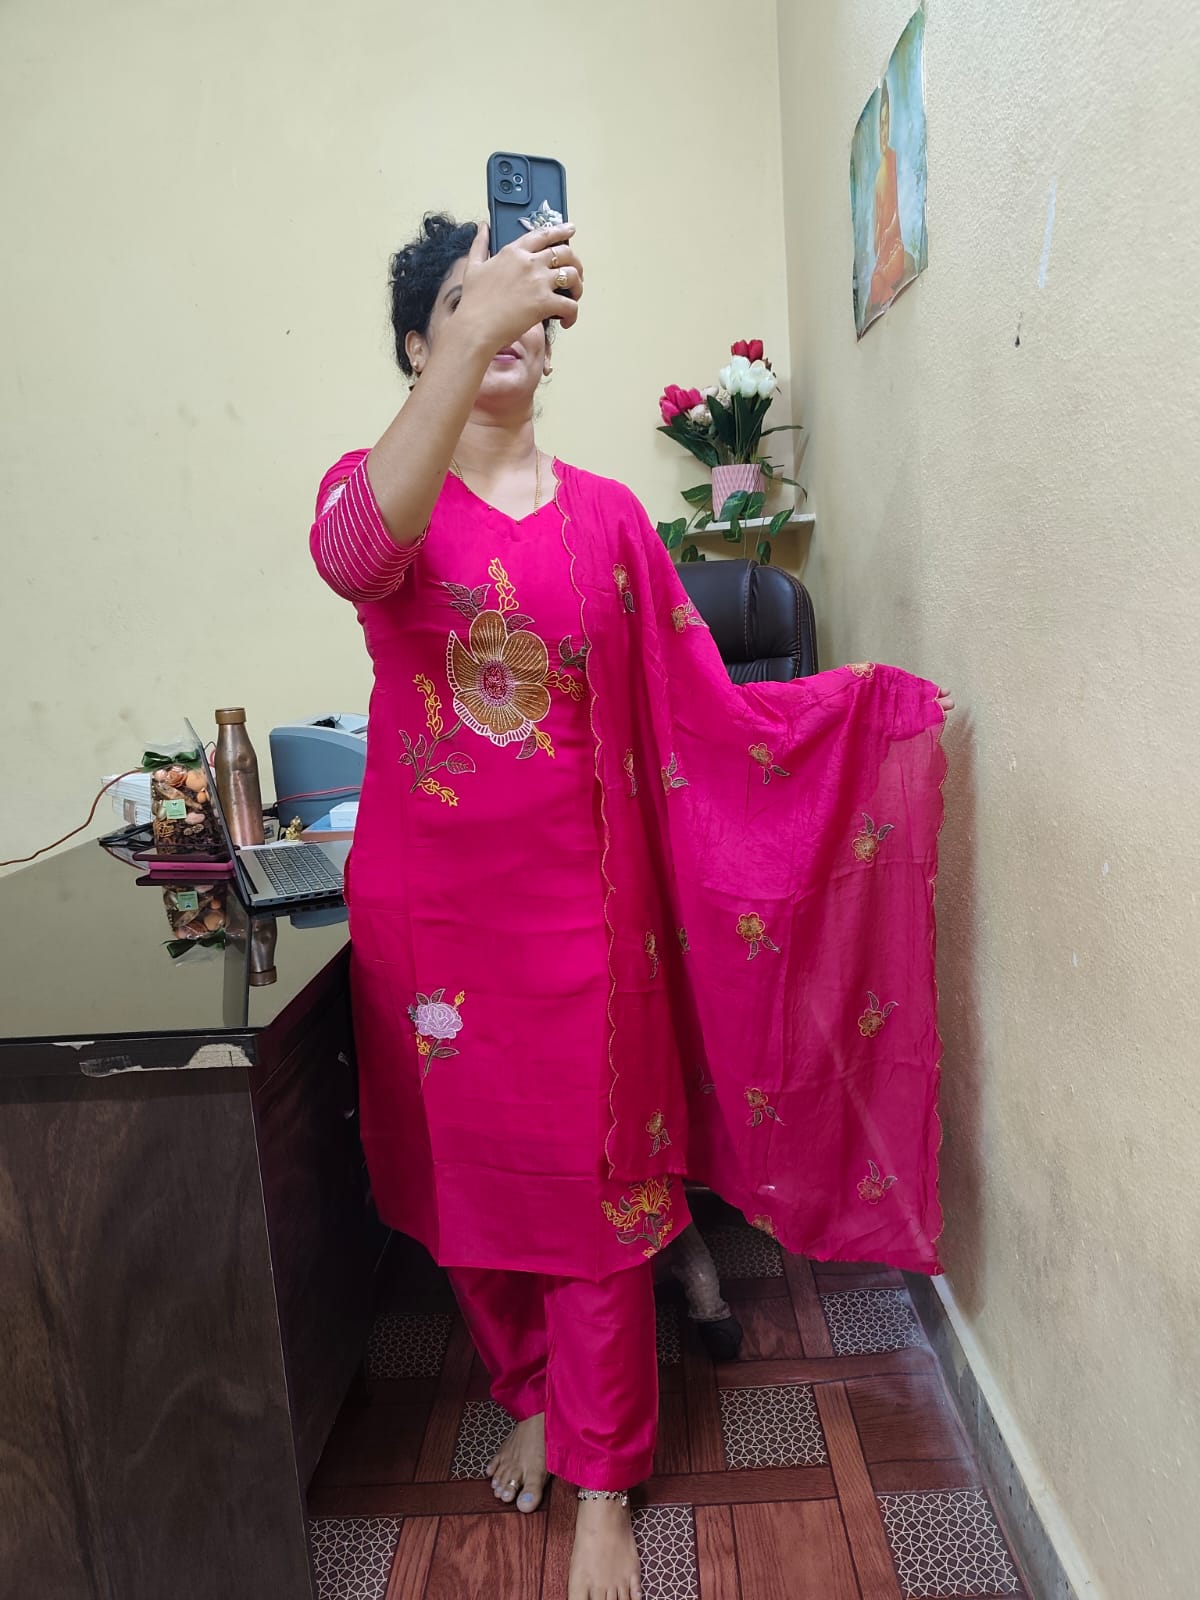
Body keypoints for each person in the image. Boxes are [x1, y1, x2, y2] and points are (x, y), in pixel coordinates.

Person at [310, 212, 951, 1600]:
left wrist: (849, 718)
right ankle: (532, 1390)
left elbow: (699, 708)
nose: (504, 322)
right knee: (465, 1183)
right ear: (420, 345)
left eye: (522, 305)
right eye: (465, 305)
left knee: (601, 1194)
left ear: (550, 342)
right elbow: (354, 560)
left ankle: (605, 1476)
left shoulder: (607, 519)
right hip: (429, 924)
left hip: (588, 926)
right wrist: (476, 325)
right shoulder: (376, 494)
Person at [869, 78, 907, 316]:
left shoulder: (894, 162)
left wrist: (889, 233)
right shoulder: (877, 179)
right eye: (880, 126)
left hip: (895, 248)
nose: (883, 132)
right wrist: (880, 239)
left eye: (886, 124)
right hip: (883, 253)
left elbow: (898, 216)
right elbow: (877, 229)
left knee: (896, 263)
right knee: (875, 282)